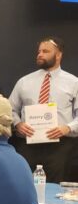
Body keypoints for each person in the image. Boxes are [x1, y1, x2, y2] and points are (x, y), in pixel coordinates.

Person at [9, 37, 78, 182]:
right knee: (24, 185)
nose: (40, 54)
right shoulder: (24, 82)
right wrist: (18, 124)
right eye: (39, 51)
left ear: (58, 54)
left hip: (61, 147)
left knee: (55, 188)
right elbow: (10, 109)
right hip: (28, 145)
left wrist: (67, 128)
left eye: (45, 51)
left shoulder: (73, 82)